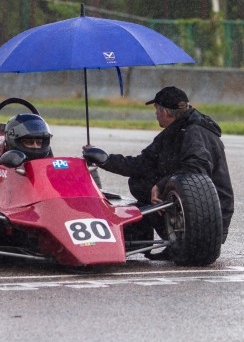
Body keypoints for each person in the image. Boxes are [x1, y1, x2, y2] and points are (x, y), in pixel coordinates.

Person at [86, 86, 234, 245]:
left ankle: (180, 243)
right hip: (196, 210)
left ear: (165, 112)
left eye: (156, 109)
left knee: (151, 188)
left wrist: (161, 185)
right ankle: (172, 241)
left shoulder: (195, 132)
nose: (155, 114)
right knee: (140, 183)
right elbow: (142, 164)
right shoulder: (174, 131)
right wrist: (105, 160)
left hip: (210, 217)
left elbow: (196, 171)